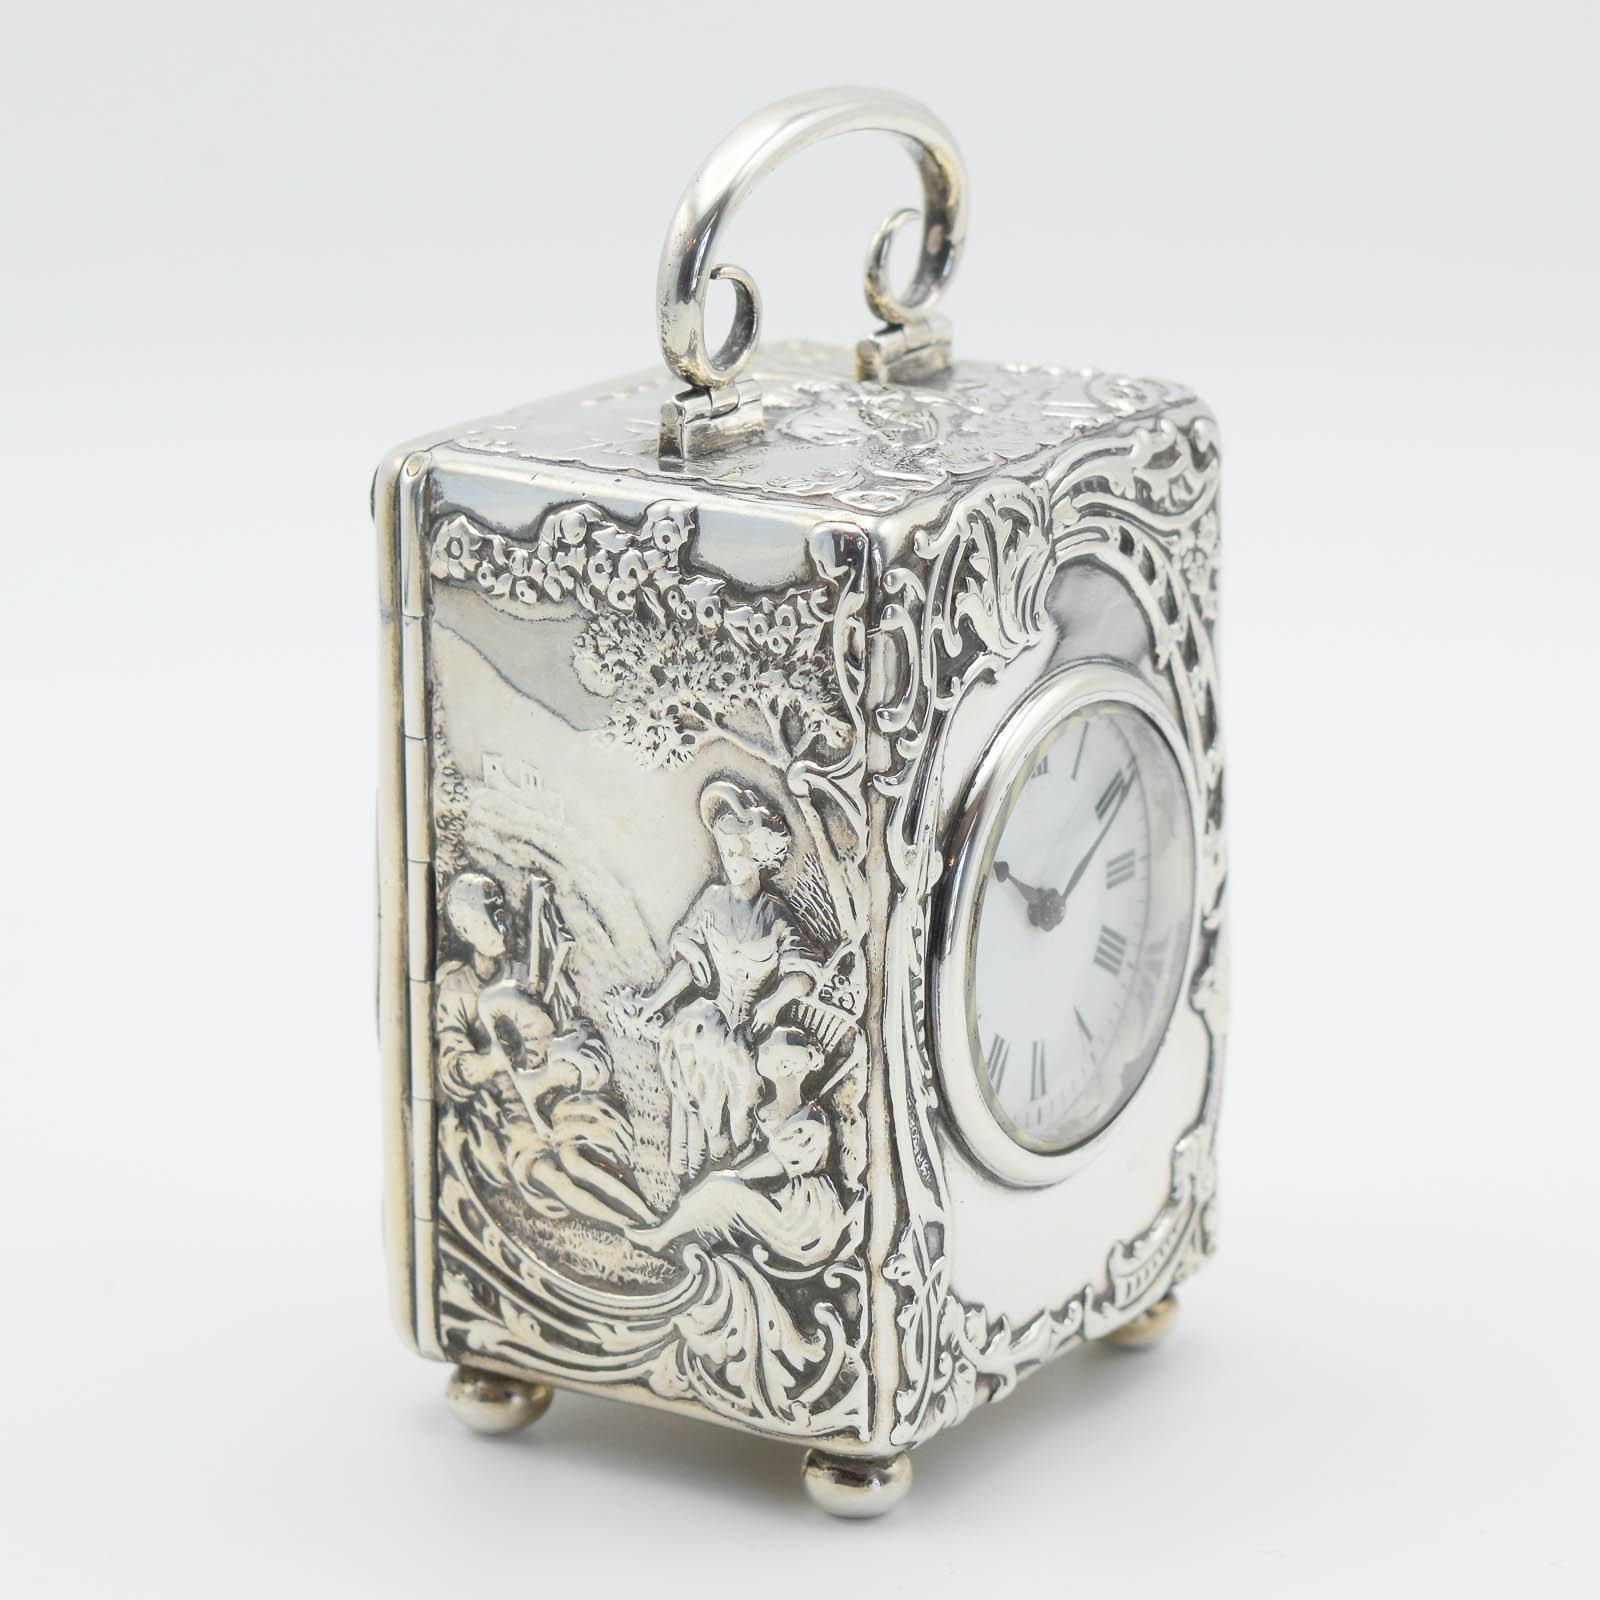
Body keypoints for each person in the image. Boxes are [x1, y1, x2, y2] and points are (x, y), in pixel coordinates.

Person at [628, 782, 816, 1181]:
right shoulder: (712, 901)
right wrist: (652, 1004)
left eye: (737, 852)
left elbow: (801, 976)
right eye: (725, 851)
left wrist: (773, 1004)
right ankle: (709, 1150)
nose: (729, 861)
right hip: (715, 1013)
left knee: (738, 1064)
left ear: (759, 855)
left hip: (754, 1024)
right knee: (694, 1038)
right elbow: (688, 963)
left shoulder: (775, 915)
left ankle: (736, 1161)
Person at [626, 1027, 847, 1271]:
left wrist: (735, 1178)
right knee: (716, 1186)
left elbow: (775, 1165)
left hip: (803, 1218)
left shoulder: (810, 1122)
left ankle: (660, 1238)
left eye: (766, 1055)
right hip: (779, 1198)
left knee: (716, 1188)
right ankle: (669, 1232)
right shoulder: (771, 1109)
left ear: (785, 1067)